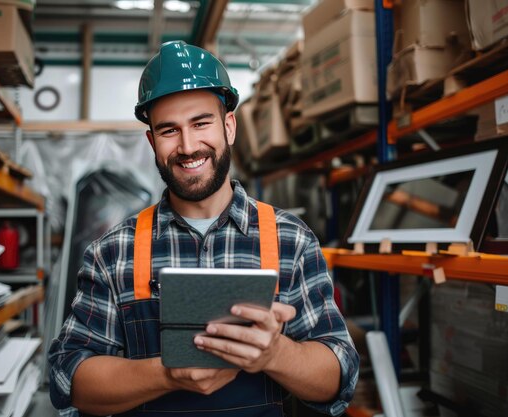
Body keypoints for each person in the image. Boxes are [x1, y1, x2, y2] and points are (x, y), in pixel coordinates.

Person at [48, 40, 359, 417]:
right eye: (169, 130)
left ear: (229, 126)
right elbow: (69, 378)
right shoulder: (113, 252)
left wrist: (277, 354)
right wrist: (166, 374)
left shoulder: (290, 239)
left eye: (201, 123)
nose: (188, 145)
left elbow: (339, 376)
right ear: (151, 141)